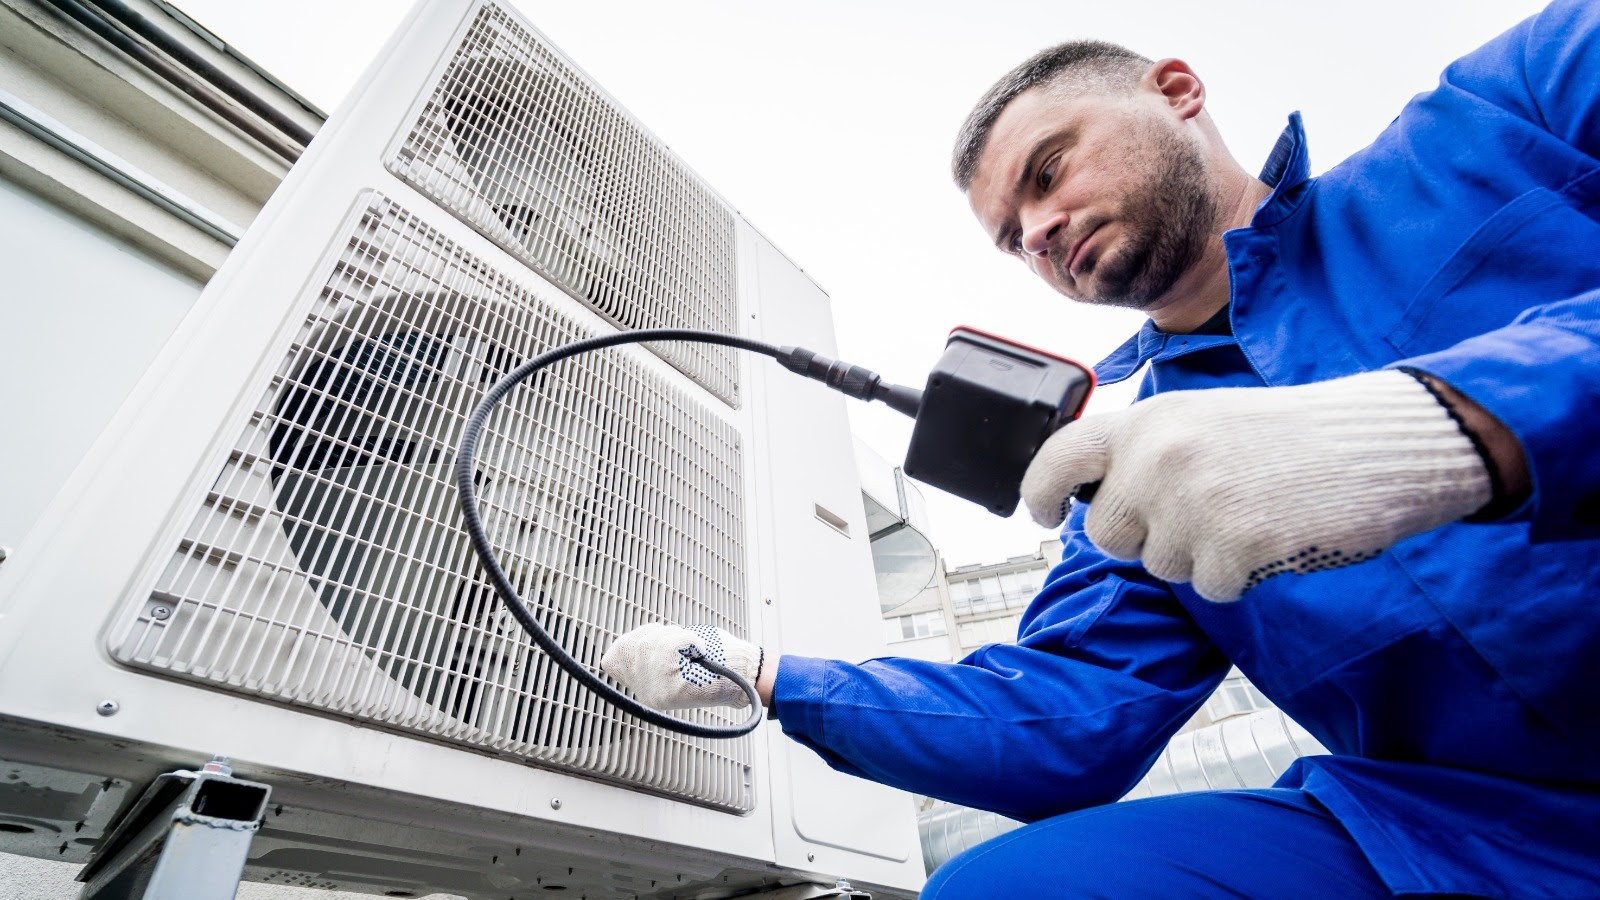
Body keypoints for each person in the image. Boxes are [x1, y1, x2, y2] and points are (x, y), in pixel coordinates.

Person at [602, 1, 1600, 895]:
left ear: (1175, 91)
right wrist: (769, 675)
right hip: (1481, 838)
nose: (1037, 229)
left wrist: (1430, 430)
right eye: (1010, 235)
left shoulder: (1503, 110)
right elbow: (1063, 723)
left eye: (1048, 171)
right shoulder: (1140, 480)